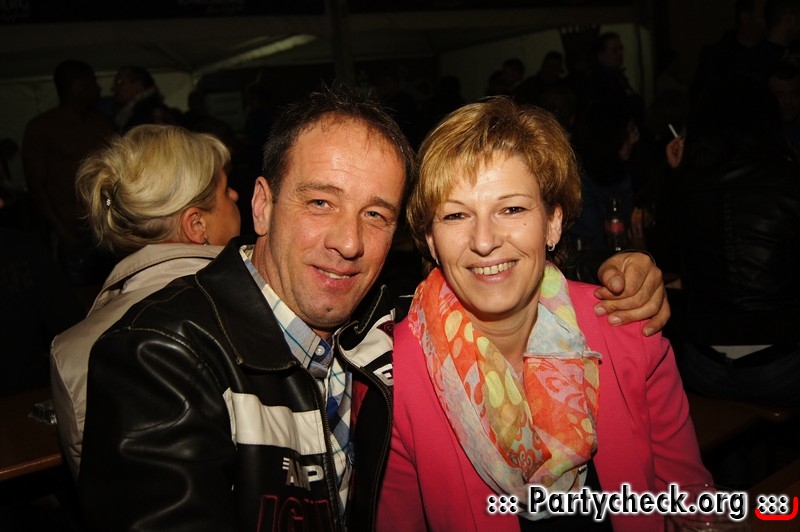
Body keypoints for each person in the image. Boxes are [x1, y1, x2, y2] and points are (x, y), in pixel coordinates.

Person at [77, 87, 669, 531]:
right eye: (320, 202)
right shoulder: (159, 356)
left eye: (376, 214)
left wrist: (624, 271)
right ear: (262, 205)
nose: (349, 241)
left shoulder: (383, 324)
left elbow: (495, 281)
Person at [377, 98, 711, 531]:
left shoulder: (628, 331)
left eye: (512, 209)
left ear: (553, 222)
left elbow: (692, 505)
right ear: (430, 240)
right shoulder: (391, 377)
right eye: (456, 215)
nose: (484, 241)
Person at [50, 124, 240, 481]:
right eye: (225, 189)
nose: (235, 195)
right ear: (197, 225)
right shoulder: (258, 304)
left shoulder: (70, 349)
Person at [663, 75, 800, 408]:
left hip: (704, 363)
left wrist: (675, 176)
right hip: (779, 362)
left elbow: (664, 257)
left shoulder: (688, 187)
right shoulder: (789, 181)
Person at [21, 59, 118, 290]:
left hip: (106, 227)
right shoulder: (43, 128)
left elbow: (115, 176)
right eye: (93, 82)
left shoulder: (100, 125)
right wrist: (61, 231)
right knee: (80, 294)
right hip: (73, 229)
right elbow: (37, 186)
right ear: (78, 85)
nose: (99, 88)